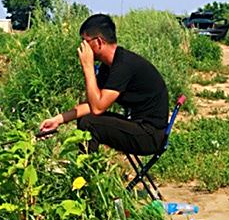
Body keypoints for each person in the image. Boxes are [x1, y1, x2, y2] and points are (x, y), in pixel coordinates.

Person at [38, 13, 169, 155]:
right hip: (139, 126)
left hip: (150, 136)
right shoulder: (110, 65)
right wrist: (58, 120)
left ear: (99, 42)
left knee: (89, 123)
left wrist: (88, 67)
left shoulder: (123, 65)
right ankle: (86, 169)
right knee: (85, 119)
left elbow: (97, 108)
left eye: (85, 42)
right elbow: (91, 104)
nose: (82, 48)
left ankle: (87, 172)